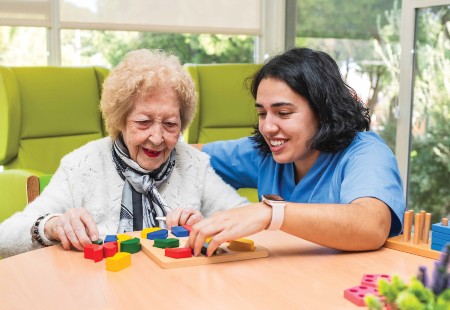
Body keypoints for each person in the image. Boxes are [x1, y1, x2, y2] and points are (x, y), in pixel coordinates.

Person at [0, 49, 247, 258]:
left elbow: (247, 219)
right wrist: (51, 226)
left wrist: (206, 225)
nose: (158, 138)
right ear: (120, 119)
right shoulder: (82, 164)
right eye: (143, 122)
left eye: (171, 124)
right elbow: (5, 237)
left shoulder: (193, 164)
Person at [168, 47, 406, 256]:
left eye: (283, 113)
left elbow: (372, 225)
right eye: (262, 113)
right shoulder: (266, 153)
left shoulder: (366, 153)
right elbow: (188, 155)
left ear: (324, 112)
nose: (268, 128)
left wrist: (271, 214)